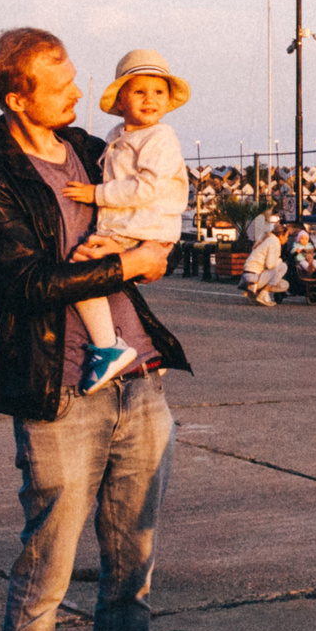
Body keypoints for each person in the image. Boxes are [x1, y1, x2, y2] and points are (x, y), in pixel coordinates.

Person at [0, 27, 191, 631]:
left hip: (139, 378)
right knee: (48, 566)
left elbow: (153, 205)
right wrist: (129, 263)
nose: (77, 91)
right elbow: (23, 286)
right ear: (17, 97)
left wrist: (150, 254)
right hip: (59, 388)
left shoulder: (95, 149)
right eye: (58, 84)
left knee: (133, 561)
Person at [55, 49, 192, 393]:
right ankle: (147, 350)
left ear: (168, 101)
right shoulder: (119, 135)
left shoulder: (160, 137)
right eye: (139, 91)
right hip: (128, 226)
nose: (150, 99)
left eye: (158, 92)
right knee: (112, 284)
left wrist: (96, 194)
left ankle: (107, 347)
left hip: (145, 226)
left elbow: (148, 186)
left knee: (82, 270)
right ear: (120, 100)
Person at [240, 217, 289, 306]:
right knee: (283, 268)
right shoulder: (274, 242)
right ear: (281, 236)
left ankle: (254, 292)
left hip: (246, 276)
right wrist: (280, 261)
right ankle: (264, 293)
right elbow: (270, 265)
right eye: (286, 236)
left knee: (283, 283)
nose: (287, 239)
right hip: (254, 277)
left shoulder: (267, 239)